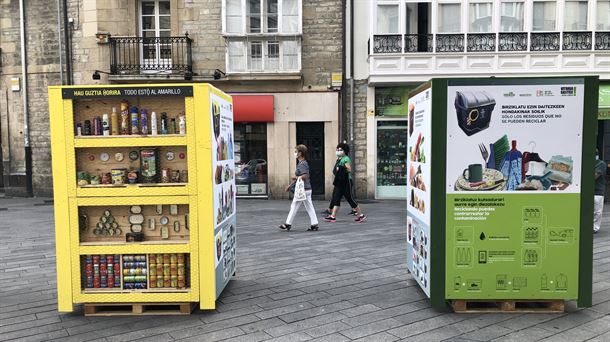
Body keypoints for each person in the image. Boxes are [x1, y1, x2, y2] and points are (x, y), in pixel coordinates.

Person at [279, 145, 319, 231]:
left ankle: (287, 224)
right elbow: (303, 177)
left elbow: (305, 176)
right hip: (307, 189)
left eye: (296, 151)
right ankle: (314, 223)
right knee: (309, 207)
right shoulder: (303, 163)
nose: (295, 153)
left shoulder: (302, 164)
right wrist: (290, 186)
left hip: (302, 190)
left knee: (294, 206)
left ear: (300, 153)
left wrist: (295, 178)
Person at [324, 143, 367, 223]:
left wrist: (341, 168)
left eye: (340, 150)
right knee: (336, 198)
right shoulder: (339, 159)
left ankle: (361, 215)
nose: (338, 151)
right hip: (339, 181)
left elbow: (349, 169)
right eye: (337, 149)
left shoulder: (346, 159)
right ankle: (333, 216)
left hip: (346, 182)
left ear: (345, 151)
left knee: (350, 198)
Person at [594, 149, 606, 233]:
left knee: (597, 211)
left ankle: (594, 227)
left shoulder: (601, 164)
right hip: (588, 191)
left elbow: (595, 176)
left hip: (598, 190)